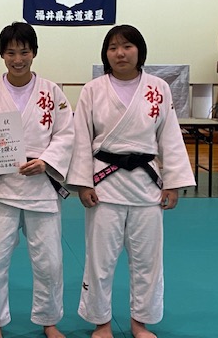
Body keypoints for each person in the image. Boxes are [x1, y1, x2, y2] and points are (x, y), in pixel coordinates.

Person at [66, 24, 196, 338]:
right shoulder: (93, 89)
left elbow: (169, 136)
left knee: (147, 260)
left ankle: (141, 322)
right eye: (113, 48)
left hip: (146, 185)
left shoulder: (158, 88)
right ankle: (101, 323)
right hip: (104, 185)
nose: (120, 53)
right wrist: (83, 182)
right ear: (105, 54)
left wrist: (173, 181)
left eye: (127, 46)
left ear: (139, 51)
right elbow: (81, 138)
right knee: (100, 260)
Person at [0, 22, 74, 338]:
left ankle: (49, 320)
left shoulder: (52, 92)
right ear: (2, 54)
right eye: (11, 53)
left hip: (41, 187)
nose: (18, 59)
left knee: (49, 262)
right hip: (3, 188)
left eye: (24, 52)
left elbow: (66, 135)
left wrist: (47, 161)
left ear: (34, 53)